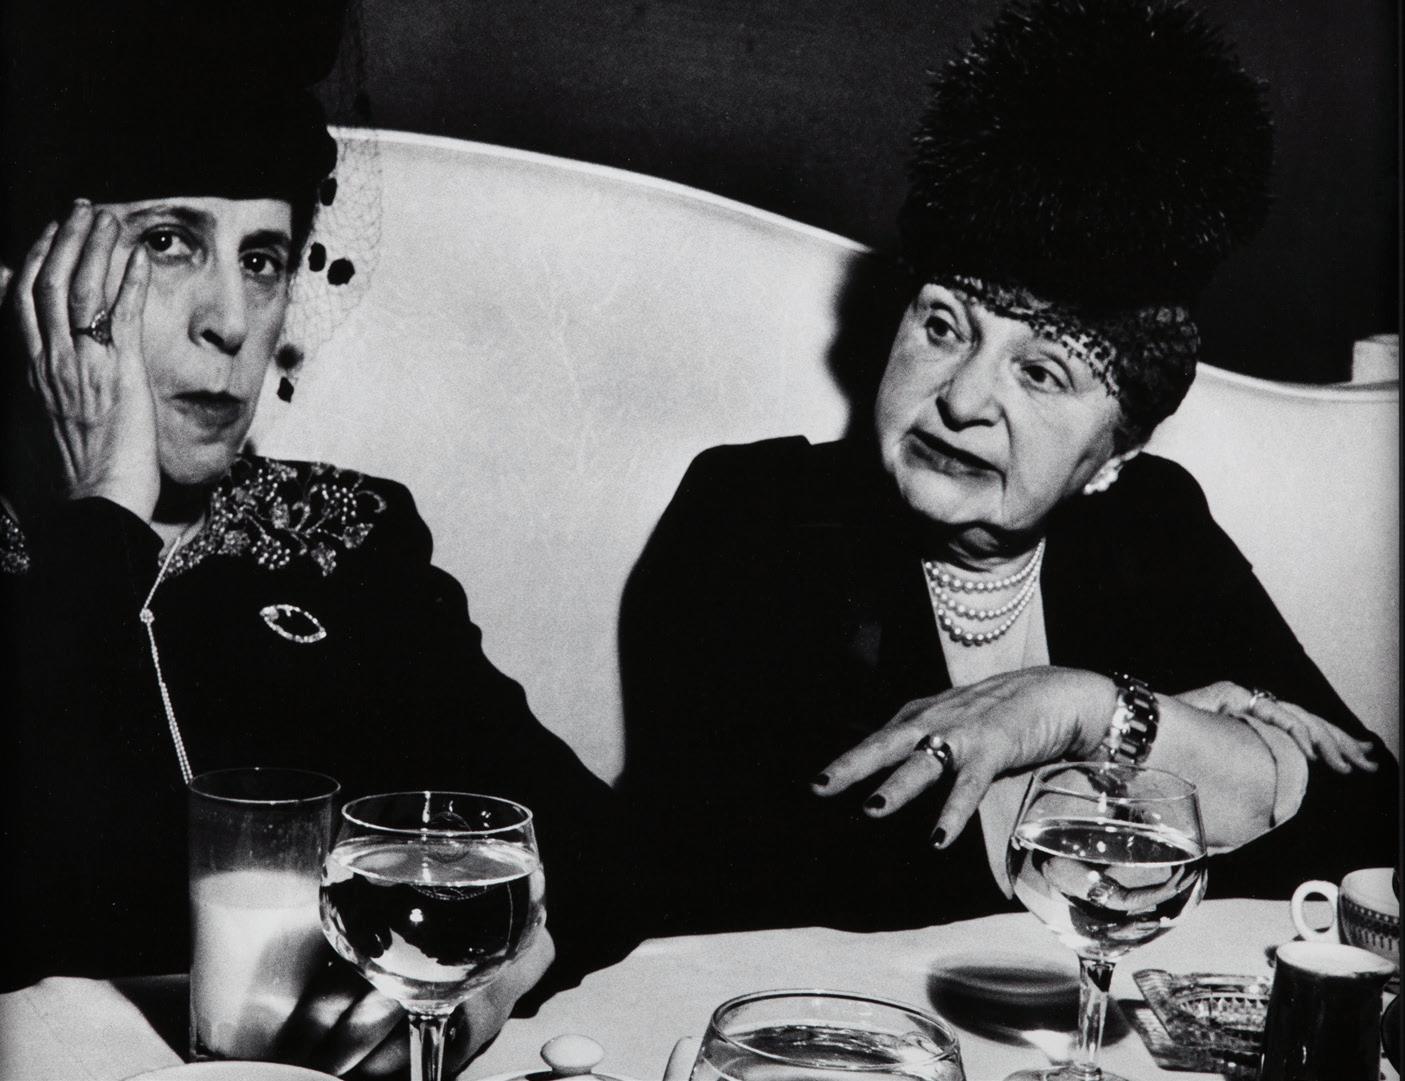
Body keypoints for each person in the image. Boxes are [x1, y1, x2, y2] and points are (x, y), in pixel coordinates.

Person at [619, 0, 1398, 938]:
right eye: (943, 325)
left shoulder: (1152, 524)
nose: (960, 399)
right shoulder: (754, 516)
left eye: (1040, 373)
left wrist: (1092, 711)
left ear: (1117, 450)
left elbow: (1368, 823)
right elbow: (751, 889)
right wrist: (1200, 746)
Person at [0, 1, 632, 1073]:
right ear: (31, 286)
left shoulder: (347, 537)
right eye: (167, 242)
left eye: (263, 258)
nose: (232, 320)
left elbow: (584, 846)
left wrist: (490, 980)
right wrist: (103, 512)